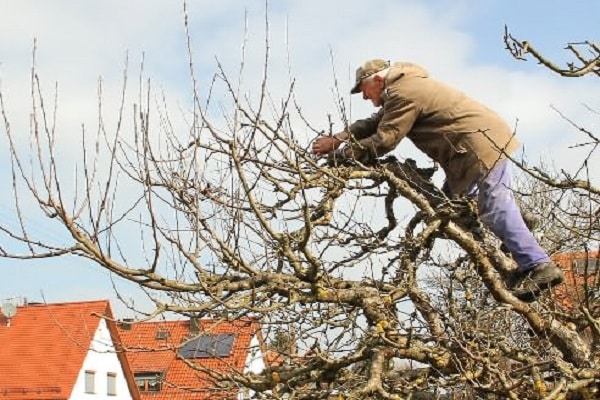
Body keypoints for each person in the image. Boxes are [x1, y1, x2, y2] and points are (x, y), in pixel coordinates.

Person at [311, 59, 564, 302]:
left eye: (363, 90)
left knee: (493, 208)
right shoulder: (401, 89)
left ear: (377, 79)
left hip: (476, 145)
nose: (364, 97)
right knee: (452, 206)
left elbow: (385, 139)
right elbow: (374, 122)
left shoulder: (404, 92)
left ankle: (538, 264)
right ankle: (521, 223)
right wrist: (340, 138)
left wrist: (343, 155)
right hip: (471, 145)